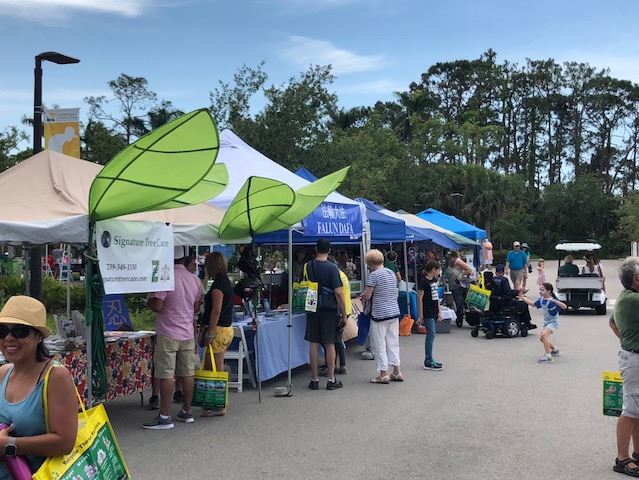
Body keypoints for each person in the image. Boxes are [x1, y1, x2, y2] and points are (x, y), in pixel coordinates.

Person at [0, 296, 78, 477]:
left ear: (38, 337)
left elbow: (65, 442)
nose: (9, 338)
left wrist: (9, 445)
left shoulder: (56, 376)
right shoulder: (4, 372)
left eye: (20, 331)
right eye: (2, 331)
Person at [143, 246, 203, 429]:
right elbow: (197, 307)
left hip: (168, 332)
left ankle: (164, 416)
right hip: (187, 332)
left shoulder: (165, 277)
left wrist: (149, 302)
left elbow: (158, 306)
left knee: (166, 374)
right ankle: (186, 411)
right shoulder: (194, 279)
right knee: (187, 373)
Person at [609, 257, 639, 476]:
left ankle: (637, 453)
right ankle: (622, 459)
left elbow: (612, 322)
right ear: (636, 279)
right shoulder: (633, 299)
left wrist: (626, 340)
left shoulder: (627, 297)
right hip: (634, 359)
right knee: (630, 410)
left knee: (637, 409)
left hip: (632, 355)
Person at [305, 239, 347, 391]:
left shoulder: (307, 266)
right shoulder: (332, 268)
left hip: (312, 307)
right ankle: (331, 379)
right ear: (329, 250)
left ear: (316, 249)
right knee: (330, 343)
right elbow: (339, 292)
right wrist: (343, 314)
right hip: (329, 309)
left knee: (313, 343)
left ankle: (314, 380)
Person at [198, 252, 234, 417]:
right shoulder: (225, 282)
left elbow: (216, 310)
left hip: (218, 329)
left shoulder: (218, 286)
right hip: (225, 328)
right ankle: (212, 402)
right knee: (211, 365)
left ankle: (220, 403)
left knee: (216, 367)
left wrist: (210, 331)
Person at [361, 249, 403, 384]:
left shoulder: (374, 275)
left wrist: (362, 296)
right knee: (393, 342)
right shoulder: (391, 273)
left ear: (371, 263)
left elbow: (368, 296)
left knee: (379, 344)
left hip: (379, 314)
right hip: (393, 312)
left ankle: (383, 374)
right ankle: (396, 371)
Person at [319, 255, 351, 376]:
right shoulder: (341, 274)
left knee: (332, 340)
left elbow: (338, 294)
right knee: (337, 339)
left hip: (339, 310)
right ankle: (340, 365)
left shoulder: (335, 276)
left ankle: (334, 366)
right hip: (345, 309)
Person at [518, 283, 566, 363]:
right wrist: (523, 298)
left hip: (553, 322)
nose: (540, 291)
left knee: (544, 335)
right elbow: (533, 305)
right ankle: (554, 350)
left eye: (542, 290)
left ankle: (548, 356)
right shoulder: (541, 299)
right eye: (540, 289)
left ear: (549, 291)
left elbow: (564, 307)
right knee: (542, 339)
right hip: (546, 323)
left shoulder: (552, 300)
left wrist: (554, 300)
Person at [417, 260, 443, 371]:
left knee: (432, 334)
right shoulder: (423, 282)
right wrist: (421, 314)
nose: (439, 272)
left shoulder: (435, 281)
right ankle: (428, 360)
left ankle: (430, 358)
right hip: (427, 310)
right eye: (438, 270)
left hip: (434, 310)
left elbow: (436, 297)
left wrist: (439, 311)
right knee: (431, 334)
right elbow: (419, 298)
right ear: (433, 270)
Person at [492, 264, 535, 330]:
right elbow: (508, 293)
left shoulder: (492, 280)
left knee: (518, 302)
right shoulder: (504, 280)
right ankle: (526, 322)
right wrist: (519, 291)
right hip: (504, 303)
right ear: (503, 272)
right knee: (523, 304)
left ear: (495, 272)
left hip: (494, 303)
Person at [446, 251, 473, 319]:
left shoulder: (458, 261)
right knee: (457, 300)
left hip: (458, 285)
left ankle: (460, 315)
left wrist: (460, 276)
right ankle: (459, 314)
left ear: (454, 257)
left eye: (450, 257)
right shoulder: (450, 263)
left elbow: (469, 269)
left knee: (458, 301)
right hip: (453, 285)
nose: (449, 259)